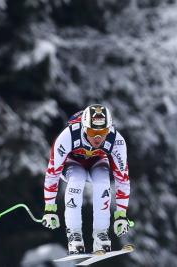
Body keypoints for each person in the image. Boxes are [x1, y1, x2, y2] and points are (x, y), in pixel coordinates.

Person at [41, 104, 133, 254]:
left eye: (102, 132)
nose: (97, 138)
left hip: (98, 161)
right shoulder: (68, 136)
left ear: (109, 129)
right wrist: (50, 209)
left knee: (103, 182)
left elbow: (122, 178)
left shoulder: (116, 141)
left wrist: (121, 215)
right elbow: (52, 173)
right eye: (92, 131)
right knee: (77, 179)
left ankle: (101, 234)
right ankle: (74, 235)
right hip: (73, 163)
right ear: (84, 127)